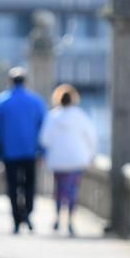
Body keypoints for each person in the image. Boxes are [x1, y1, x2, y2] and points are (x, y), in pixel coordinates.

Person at [0, 66, 46, 234]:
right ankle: (27, 212)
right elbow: (43, 128)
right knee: (30, 185)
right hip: (30, 151)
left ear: (10, 82)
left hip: (9, 152)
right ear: (26, 81)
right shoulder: (36, 101)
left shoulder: (1, 102)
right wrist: (43, 152)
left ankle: (16, 219)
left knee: (12, 186)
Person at [39, 84, 97, 237]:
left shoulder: (52, 116)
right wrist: (90, 154)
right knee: (72, 190)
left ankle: (58, 217)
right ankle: (70, 220)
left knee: (59, 189)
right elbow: (91, 137)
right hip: (76, 160)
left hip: (58, 160)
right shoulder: (80, 116)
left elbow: (44, 139)